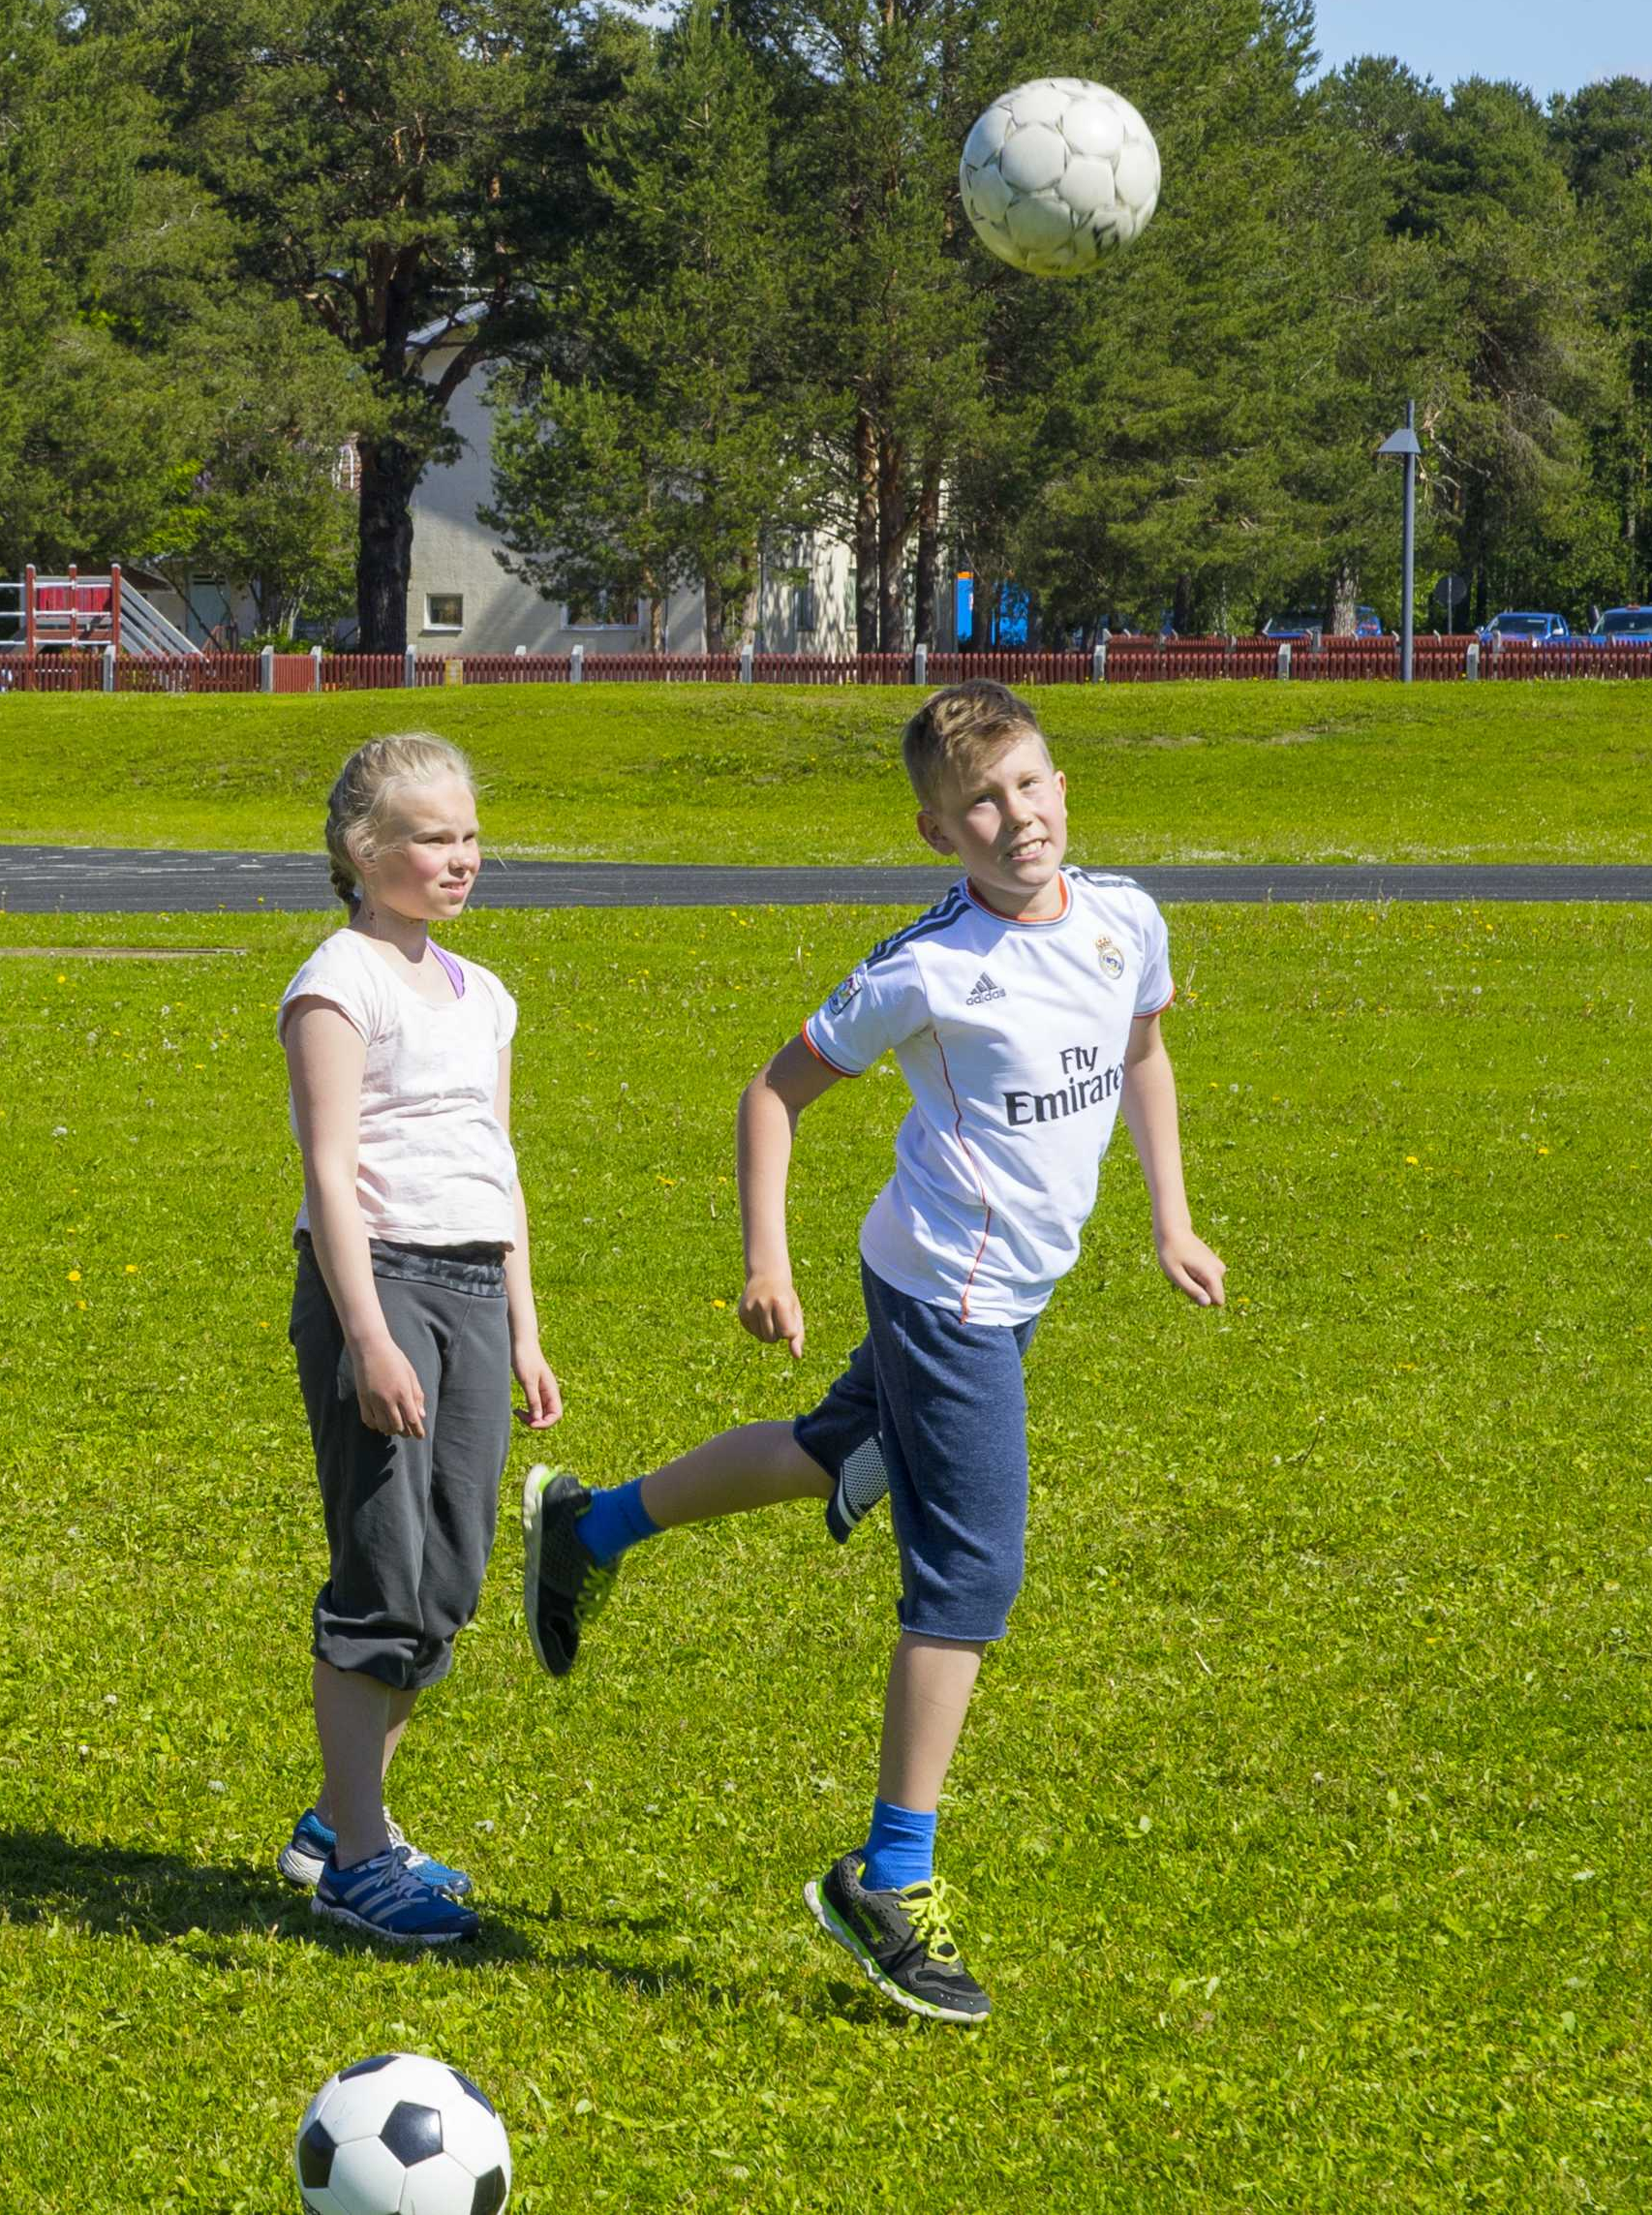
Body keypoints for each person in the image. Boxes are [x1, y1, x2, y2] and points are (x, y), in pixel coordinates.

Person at [524, 680, 1225, 2026]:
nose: (1012, 817)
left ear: (1060, 784)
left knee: (830, 1452)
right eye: (979, 802)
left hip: (1013, 1288)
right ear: (932, 828)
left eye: (1028, 785)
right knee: (970, 1568)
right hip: (941, 1297)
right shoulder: (927, 967)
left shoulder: (1123, 915)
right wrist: (762, 1262)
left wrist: (1168, 1219)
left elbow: (1140, 1049)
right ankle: (884, 1875)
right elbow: (772, 1090)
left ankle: (588, 1528)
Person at [275, 733, 566, 1952]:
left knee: (445, 1576)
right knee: (381, 1569)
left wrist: (524, 1326)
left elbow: (493, 1168)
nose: (460, 858)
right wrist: (369, 1336)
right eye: (432, 837)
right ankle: (353, 1857)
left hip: (470, 1290)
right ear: (362, 851)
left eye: (469, 836)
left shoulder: (483, 992)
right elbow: (331, 1175)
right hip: (377, 1287)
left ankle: (346, 1818)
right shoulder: (337, 983)